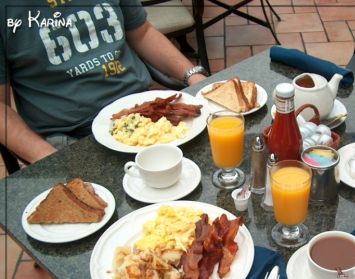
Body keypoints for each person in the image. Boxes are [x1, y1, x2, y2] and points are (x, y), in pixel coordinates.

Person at [0, 0, 208, 164]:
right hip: (70, 136)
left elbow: (142, 32)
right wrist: (48, 159)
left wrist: (195, 77)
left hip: (147, 112)